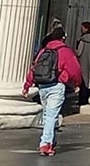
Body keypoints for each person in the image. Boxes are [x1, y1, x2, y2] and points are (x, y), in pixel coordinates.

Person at [23, 24, 83, 156]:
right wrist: (76, 83)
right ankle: (45, 143)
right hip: (57, 85)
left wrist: (27, 85)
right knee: (51, 115)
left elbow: (34, 68)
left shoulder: (44, 50)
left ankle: (51, 139)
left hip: (43, 86)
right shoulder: (65, 51)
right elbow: (75, 69)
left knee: (47, 114)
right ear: (63, 38)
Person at [71, 21, 90, 104]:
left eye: (82, 28)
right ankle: (87, 98)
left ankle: (81, 100)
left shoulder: (83, 40)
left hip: (82, 63)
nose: (81, 30)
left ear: (86, 28)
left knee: (82, 82)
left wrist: (74, 50)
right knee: (88, 81)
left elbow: (79, 52)